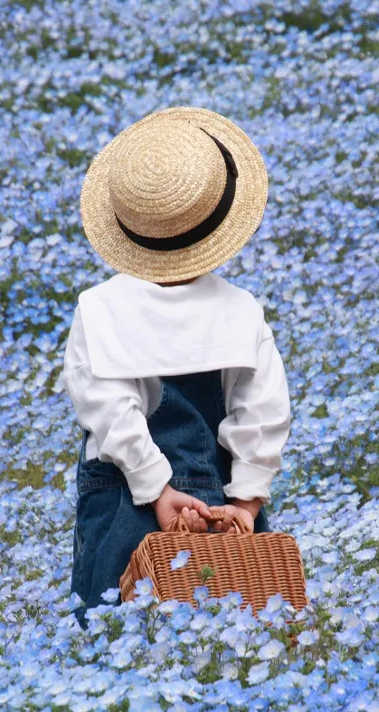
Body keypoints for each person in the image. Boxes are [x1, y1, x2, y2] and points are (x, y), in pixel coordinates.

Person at [62, 107, 291, 627]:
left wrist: (158, 492)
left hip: (125, 498)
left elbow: (110, 411)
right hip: (219, 503)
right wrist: (248, 504)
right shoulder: (241, 310)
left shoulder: (99, 309)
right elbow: (265, 411)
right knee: (235, 617)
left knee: (118, 629)